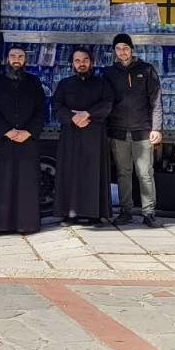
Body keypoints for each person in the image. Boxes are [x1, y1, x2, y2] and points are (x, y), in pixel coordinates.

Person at [105, 33, 164, 228]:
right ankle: (126, 211)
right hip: (118, 131)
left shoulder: (146, 70)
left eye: (125, 48)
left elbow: (156, 101)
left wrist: (157, 128)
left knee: (145, 173)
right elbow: (105, 103)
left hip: (143, 131)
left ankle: (149, 213)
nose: (122, 52)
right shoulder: (109, 73)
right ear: (114, 52)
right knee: (123, 173)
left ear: (131, 49)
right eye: (118, 48)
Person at [0, 46, 46, 235]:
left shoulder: (34, 82)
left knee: (26, 184)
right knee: (4, 184)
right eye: (13, 56)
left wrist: (28, 132)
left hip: (27, 142)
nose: (17, 59)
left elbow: (41, 110)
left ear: (25, 60)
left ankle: (26, 224)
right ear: (7, 60)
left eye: (20, 56)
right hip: (4, 142)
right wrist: (6, 131)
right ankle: (3, 225)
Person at [52, 48, 115, 226]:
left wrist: (87, 114)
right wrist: (73, 117)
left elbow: (108, 104)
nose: (81, 63)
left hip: (94, 135)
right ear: (72, 63)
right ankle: (69, 214)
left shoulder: (102, 84)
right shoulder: (65, 84)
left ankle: (95, 214)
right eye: (77, 60)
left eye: (85, 60)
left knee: (93, 173)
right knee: (69, 173)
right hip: (71, 135)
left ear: (91, 62)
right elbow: (57, 106)